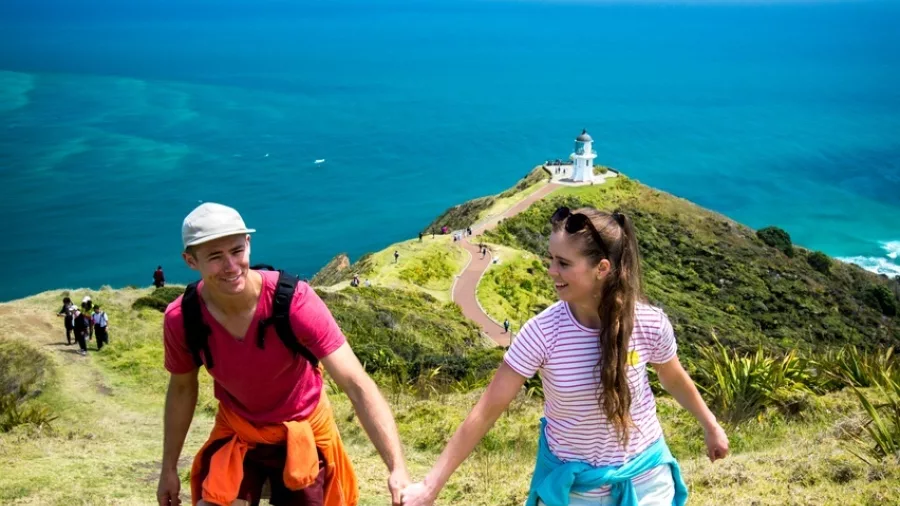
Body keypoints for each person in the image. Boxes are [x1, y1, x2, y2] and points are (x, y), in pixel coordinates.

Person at [402, 206, 729, 506]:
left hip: (648, 484)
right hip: (573, 492)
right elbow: (485, 412)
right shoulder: (542, 333)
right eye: (551, 259)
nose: (551, 271)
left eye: (563, 263)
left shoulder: (648, 322)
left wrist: (710, 425)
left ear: (601, 268)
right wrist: (430, 486)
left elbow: (671, 376)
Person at [157, 202, 409, 506]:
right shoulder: (183, 318)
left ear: (248, 244)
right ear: (190, 260)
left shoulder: (294, 302)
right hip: (240, 432)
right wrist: (168, 469)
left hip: (304, 432)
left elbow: (356, 384)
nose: (231, 266)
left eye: (237, 251)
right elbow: (182, 388)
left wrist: (397, 468)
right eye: (214, 257)